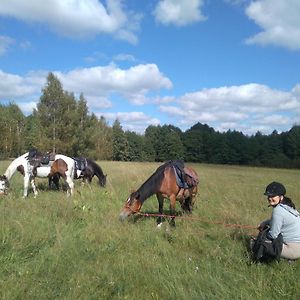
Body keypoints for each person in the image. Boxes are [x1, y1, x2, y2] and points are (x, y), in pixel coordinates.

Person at [254, 181, 300, 261]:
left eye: (273, 196)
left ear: (281, 197)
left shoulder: (278, 211)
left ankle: (285, 259)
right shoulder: (288, 206)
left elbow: (273, 235)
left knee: (256, 243)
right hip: (297, 247)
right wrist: (265, 223)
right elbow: (277, 221)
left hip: (293, 250)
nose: (269, 198)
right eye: (268, 196)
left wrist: (262, 234)